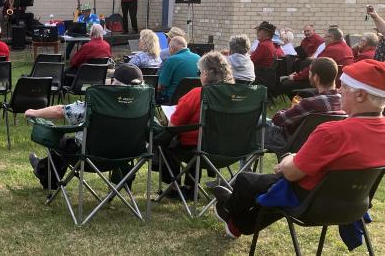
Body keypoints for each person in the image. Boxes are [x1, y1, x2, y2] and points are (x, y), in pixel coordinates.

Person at [213, 59, 385, 239]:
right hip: (352, 206)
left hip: (309, 204)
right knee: (266, 185)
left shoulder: (333, 131)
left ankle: (228, 209)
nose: (340, 90)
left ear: (360, 95)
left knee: (249, 181)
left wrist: (288, 158)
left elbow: (291, 174)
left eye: (345, 87)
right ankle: (235, 221)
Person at [27, 64, 144, 190]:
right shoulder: (144, 105)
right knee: (68, 143)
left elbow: (61, 111)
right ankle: (45, 172)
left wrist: (34, 112)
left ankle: (44, 172)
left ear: (114, 83)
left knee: (61, 141)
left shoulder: (101, 102)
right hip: (126, 156)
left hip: (91, 157)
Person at [160, 52, 234, 197]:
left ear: (206, 73)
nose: (199, 75)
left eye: (199, 72)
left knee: (167, 140)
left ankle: (174, 187)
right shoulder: (235, 95)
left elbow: (173, 125)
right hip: (229, 149)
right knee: (198, 139)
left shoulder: (197, 93)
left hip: (197, 149)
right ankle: (190, 186)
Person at [263, 57, 344, 155]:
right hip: (318, 145)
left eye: (310, 72)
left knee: (252, 123)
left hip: (289, 142)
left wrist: (290, 109)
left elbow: (278, 120)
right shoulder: (343, 101)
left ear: (316, 77)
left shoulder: (309, 104)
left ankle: (245, 167)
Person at [280, 26, 354, 95]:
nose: (324, 39)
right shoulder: (346, 48)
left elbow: (315, 66)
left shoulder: (332, 49)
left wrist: (296, 77)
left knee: (287, 84)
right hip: (339, 81)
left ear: (331, 37)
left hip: (329, 84)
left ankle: (300, 104)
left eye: (325, 37)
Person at [157, 36, 201, 103]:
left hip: (173, 100)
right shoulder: (199, 58)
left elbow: (160, 86)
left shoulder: (171, 60)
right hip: (194, 99)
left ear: (172, 48)